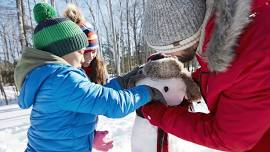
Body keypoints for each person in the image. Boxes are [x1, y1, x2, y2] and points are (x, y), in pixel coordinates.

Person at [14, 3, 165, 152]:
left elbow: (92, 95)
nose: (84, 56)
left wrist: (123, 82)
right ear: (64, 50)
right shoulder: (63, 80)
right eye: (80, 51)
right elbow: (113, 104)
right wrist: (148, 91)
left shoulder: (52, 78)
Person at [141, 0, 270, 152]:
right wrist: (191, 82)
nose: (169, 55)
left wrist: (159, 114)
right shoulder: (226, 33)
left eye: (169, 50)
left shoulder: (251, 52)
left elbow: (229, 137)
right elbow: (227, 78)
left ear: (183, 40)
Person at [63, 5, 112, 151]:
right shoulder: (68, 75)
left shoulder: (97, 68)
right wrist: (91, 137)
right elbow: (69, 118)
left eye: (94, 51)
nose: (90, 56)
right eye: (86, 51)